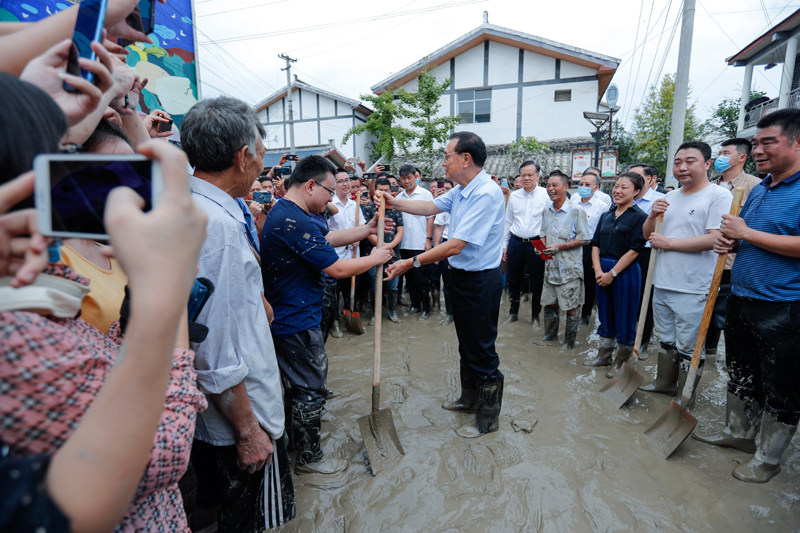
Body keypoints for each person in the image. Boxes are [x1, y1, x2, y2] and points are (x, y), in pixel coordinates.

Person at [180, 97, 293, 531]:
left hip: (210, 411)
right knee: (251, 521)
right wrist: (247, 430)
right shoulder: (219, 227)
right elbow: (213, 345)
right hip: (240, 417)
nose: (263, 166)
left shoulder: (188, 203)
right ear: (242, 156)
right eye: (261, 154)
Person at [261, 155, 391, 474]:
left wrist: (366, 229)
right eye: (329, 191)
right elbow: (336, 267)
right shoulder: (295, 221)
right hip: (295, 318)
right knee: (310, 387)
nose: (332, 198)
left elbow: (327, 241)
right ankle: (309, 457)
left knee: (300, 385)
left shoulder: (291, 212)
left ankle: (297, 442)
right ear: (310, 185)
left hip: (294, 313)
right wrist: (375, 258)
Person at [694, 109, 800, 483]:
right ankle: (739, 435)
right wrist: (734, 238)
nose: (757, 150)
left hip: (785, 306)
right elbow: (746, 233)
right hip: (742, 297)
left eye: (767, 142)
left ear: (797, 141)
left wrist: (748, 235)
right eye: (755, 143)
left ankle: (768, 458)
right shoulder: (759, 189)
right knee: (741, 373)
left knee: (782, 385)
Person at [383, 131, 505, 438]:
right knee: (466, 343)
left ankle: (488, 419)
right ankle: (469, 399)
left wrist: (411, 262)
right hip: (460, 277)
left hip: (480, 281)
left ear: (466, 159)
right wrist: (392, 200)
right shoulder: (461, 189)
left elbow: (455, 245)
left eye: (447, 156)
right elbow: (429, 208)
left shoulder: (485, 193)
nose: (443, 162)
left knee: (482, 347)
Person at [640, 142, 733, 408]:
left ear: (706, 163)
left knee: (690, 345)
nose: (682, 167)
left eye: (690, 161)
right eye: (678, 161)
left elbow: (715, 237)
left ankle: (686, 395)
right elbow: (649, 235)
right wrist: (652, 216)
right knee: (666, 338)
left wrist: (670, 244)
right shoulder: (669, 197)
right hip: (661, 280)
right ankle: (665, 383)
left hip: (694, 285)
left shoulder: (718, 195)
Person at [582, 172, 647, 375]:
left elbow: (635, 249)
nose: (617, 191)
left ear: (636, 191)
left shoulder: (640, 217)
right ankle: (603, 355)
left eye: (624, 187)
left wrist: (613, 273)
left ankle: (621, 361)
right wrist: (599, 271)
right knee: (605, 313)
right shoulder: (606, 216)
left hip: (625, 272)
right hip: (602, 270)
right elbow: (596, 244)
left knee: (625, 315)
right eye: (616, 186)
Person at [705, 138, 761, 355]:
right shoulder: (711, 185)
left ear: (742, 157)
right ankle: (703, 350)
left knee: (724, 311)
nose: (721, 157)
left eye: (726, 153)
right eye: (720, 152)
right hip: (704, 256)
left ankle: (715, 350)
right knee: (704, 307)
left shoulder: (755, 186)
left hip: (731, 262)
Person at [540, 172, 592, 349]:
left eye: (555, 185)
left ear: (566, 187)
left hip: (569, 268)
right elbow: (543, 235)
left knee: (571, 306)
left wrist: (559, 247)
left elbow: (585, 239)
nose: (550, 189)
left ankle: (569, 342)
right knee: (550, 302)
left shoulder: (576, 210)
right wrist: (540, 246)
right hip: (551, 267)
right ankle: (550, 334)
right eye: (548, 185)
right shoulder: (546, 210)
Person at [502, 160, 550, 325]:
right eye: (523, 175)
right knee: (513, 279)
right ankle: (513, 313)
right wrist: (504, 245)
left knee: (537, 280)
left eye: (530, 175)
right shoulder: (514, 196)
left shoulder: (546, 195)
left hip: (538, 243)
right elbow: (508, 222)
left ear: (538, 176)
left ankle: (535, 316)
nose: (526, 178)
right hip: (516, 241)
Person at [628, 163, 666, 360]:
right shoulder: (624, 199)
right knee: (629, 297)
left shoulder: (660, 201)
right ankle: (625, 339)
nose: (630, 178)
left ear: (650, 179)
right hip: (625, 253)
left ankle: (642, 342)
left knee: (646, 298)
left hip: (647, 254)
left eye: (637, 176)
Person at [571, 170, 611, 326]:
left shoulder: (602, 206)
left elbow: (603, 232)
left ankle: (585, 315)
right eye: (581, 184)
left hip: (590, 248)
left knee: (589, 282)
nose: (583, 187)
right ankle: (572, 311)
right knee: (573, 280)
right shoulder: (573, 203)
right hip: (573, 247)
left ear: (596, 187)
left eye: (587, 185)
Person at [363, 178, 404, 323]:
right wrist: (384, 246)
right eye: (379, 190)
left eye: (385, 190)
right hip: (374, 254)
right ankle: (376, 314)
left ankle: (392, 311)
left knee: (393, 285)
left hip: (393, 255)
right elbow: (369, 233)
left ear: (390, 191)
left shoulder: (395, 209)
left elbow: (400, 232)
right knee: (375, 285)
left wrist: (390, 246)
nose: (382, 193)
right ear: (375, 191)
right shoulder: (369, 209)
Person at [397, 164, 435, 320]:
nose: (406, 181)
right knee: (410, 278)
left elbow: (430, 218)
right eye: (403, 179)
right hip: (404, 244)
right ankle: (415, 305)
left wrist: (428, 239)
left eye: (409, 178)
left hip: (420, 244)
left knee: (422, 278)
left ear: (415, 177)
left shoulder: (425, 195)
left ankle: (426, 307)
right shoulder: (398, 198)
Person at [328, 168, 366, 323]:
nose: (345, 184)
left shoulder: (354, 205)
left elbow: (363, 227)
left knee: (351, 290)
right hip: (336, 257)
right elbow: (327, 231)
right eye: (340, 181)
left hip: (353, 255)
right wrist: (349, 238)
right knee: (335, 292)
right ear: (334, 185)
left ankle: (350, 316)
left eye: (347, 180)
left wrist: (359, 237)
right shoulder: (329, 204)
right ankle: (335, 321)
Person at [433, 180, 454, 326]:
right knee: (447, 283)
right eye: (443, 188)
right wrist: (436, 251)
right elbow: (439, 228)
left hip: (462, 245)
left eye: (448, 188)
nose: (445, 191)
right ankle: (450, 313)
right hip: (446, 244)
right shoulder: (442, 206)